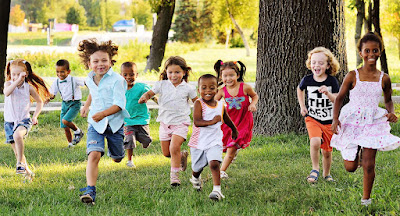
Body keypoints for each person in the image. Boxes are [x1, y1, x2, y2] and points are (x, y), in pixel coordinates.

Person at [331, 32, 400, 206]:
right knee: (350, 167)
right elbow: (339, 97)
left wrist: (391, 112)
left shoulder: (384, 78)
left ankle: (366, 200)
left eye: (375, 50)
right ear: (361, 53)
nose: (371, 54)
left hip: (372, 121)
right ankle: (357, 153)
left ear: (380, 52)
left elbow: (388, 99)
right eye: (367, 51)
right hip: (352, 120)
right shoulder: (352, 75)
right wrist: (335, 119)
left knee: (369, 165)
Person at [78, 39, 129, 205]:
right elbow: (94, 92)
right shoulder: (90, 78)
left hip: (114, 124)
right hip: (95, 124)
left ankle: (116, 152)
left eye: (104, 60)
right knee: (94, 155)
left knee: (118, 157)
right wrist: (86, 106)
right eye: (96, 61)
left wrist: (102, 114)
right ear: (89, 63)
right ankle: (90, 190)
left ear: (111, 61)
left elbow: (119, 105)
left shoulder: (118, 80)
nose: (100, 64)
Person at [139, 56, 198, 186]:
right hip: (165, 124)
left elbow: (197, 102)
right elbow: (150, 93)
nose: (173, 75)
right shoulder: (162, 85)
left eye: (177, 72)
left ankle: (174, 177)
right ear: (166, 72)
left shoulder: (188, 88)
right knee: (167, 153)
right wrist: (145, 97)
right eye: (170, 72)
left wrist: (202, 115)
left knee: (174, 147)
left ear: (184, 72)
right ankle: (181, 156)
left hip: (181, 123)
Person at [188, 74, 238, 201]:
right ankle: (195, 178)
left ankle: (217, 191)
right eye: (204, 88)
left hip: (214, 141)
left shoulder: (220, 104)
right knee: (197, 168)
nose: (208, 91)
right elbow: (197, 122)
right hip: (198, 142)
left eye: (211, 88)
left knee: (214, 164)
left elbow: (226, 118)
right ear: (199, 90)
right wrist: (211, 121)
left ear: (217, 89)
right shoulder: (199, 103)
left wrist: (234, 129)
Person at [296, 47, 340, 183]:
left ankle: (327, 174)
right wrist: (303, 106)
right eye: (314, 62)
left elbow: (337, 100)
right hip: (312, 118)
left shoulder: (332, 81)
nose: (317, 65)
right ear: (310, 64)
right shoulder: (307, 79)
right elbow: (300, 89)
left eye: (321, 63)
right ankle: (315, 169)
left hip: (328, 121)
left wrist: (328, 93)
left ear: (328, 65)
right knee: (314, 141)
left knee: (327, 152)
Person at [3, 59, 50, 181]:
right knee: (17, 151)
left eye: (19, 74)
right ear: (10, 74)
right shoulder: (8, 84)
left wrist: (35, 116)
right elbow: (7, 93)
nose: (16, 77)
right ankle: (28, 172)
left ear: (26, 74)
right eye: (13, 74)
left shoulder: (28, 88)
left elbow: (40, 102)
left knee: (18, 136)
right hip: (9, 122)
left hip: (24, 120)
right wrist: (17, 80)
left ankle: (19, 164)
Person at [214, 60, 258, 179]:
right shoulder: (222, 91)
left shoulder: (245, 87)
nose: (229, 78)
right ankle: (233, 152)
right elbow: (213, 102)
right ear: (221, 77)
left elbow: (255, 96)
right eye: (225, 76)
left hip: (243, 121)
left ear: (237, 75)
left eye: (231, 75)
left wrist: (253, 104)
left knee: (232, 145)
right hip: (229, 121)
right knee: (227, 144)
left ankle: (221, 171)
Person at [121, 61, 153, 168]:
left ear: (137, 75)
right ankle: (130, 160)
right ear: (121, 75)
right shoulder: (119, 90)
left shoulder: (142, 87)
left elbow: (152, 94)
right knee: (129, 139)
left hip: (141, 119)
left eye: (131, 74)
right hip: (128, 121)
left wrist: (157, 101)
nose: (128, 77)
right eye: (125, 75)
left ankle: (143, 140)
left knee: (146, 140)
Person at [47, 59, 85, 147]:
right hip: (64, 104)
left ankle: (78, 131)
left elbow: (85, 83)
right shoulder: (56, 82)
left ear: (68, 71)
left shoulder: (74, 79)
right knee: (65, 127)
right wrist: (49, 97)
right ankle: (71, 144)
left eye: (62, 72)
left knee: (65, 121)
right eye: (57, 72)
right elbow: (53, 93)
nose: (59, 74)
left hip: (74, 103)